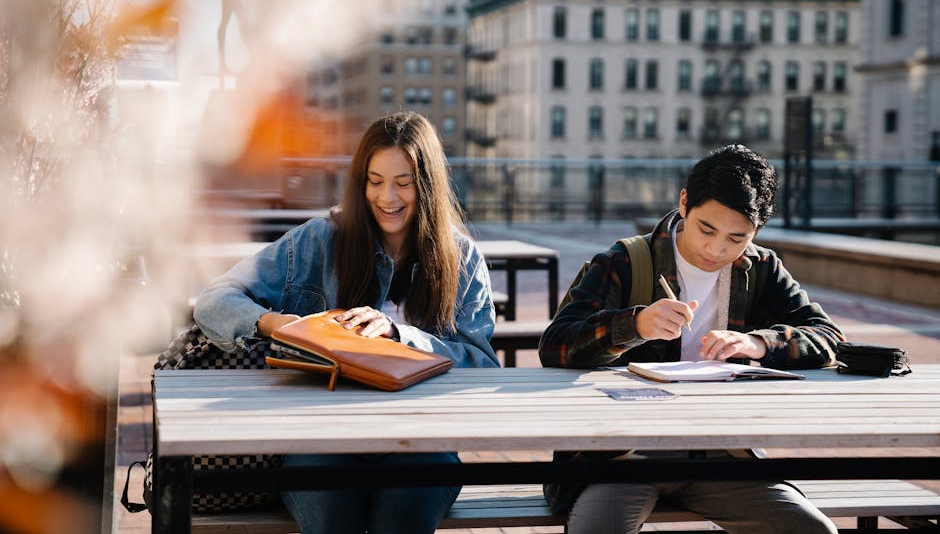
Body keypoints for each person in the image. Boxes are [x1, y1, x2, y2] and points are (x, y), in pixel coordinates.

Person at [193, 111, 499, 534]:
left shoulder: (461, 258)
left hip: (422, 442)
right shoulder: (319, 240)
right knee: (333, 507)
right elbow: (213, 300)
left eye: (403, 182)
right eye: (374, 181)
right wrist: (274, 323)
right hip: (321, 438)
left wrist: (400, 337)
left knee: (406, 506)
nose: (386, 197)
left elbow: (482, 365)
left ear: (427, 185)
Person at [539, 144, 845, 534]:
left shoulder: (760, 267)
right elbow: (555, 346)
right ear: (684, 203)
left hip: (721, 453)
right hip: (621, 456)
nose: (717, 250)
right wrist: (635, 326)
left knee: (813, 531)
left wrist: (761, 344)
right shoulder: (623, 262)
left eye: (737, 238)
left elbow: (829, 336)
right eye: (707, 229)